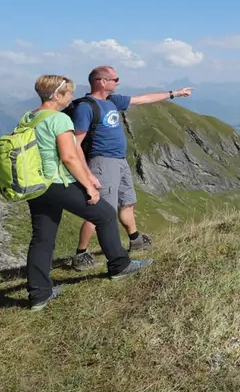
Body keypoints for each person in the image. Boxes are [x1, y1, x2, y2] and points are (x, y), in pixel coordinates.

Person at [22, 74, 152, 311]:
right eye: (68, 93)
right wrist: (89, 185)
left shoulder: (29, 117)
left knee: (42, 238)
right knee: (104, 214)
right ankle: (120, 266)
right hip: (56, 182)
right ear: (56, 95)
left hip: (34, 186)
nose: (72, 97)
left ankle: (39, 295)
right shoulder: (58, 120)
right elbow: (69, 156)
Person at [68, 65, 192, 271]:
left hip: (119, 160)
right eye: (115, 79)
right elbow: (75, 143)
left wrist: (175, 94)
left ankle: (135, 240)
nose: (118, 82)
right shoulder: (86, 107)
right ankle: (81, 254)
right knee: (100, 210)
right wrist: (87, 174)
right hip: (102, 162)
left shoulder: (112, 101)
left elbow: (143, 99)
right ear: (102, 81)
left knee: (127, 202)